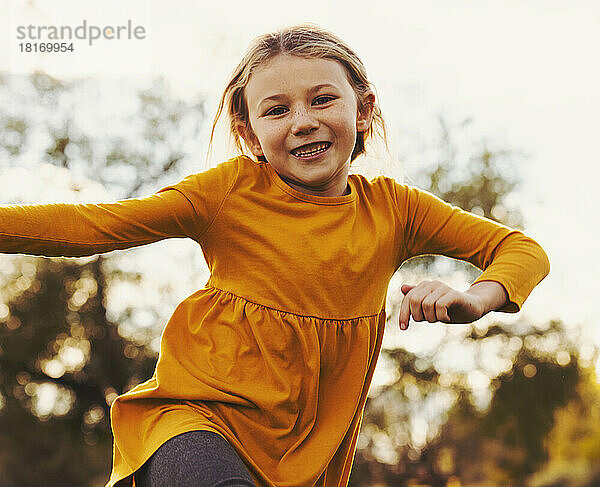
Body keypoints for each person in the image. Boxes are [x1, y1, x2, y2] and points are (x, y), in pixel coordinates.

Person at [0, 24, 549, 487]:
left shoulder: (394, 210)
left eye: (323, 99)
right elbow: (96, 225)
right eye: (276, 109)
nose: (303, 120)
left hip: (303, 456)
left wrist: (476, 298)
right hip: (191, 421)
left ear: (363, 110)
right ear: (249, 131)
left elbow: (519, 249)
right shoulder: (228, 194)